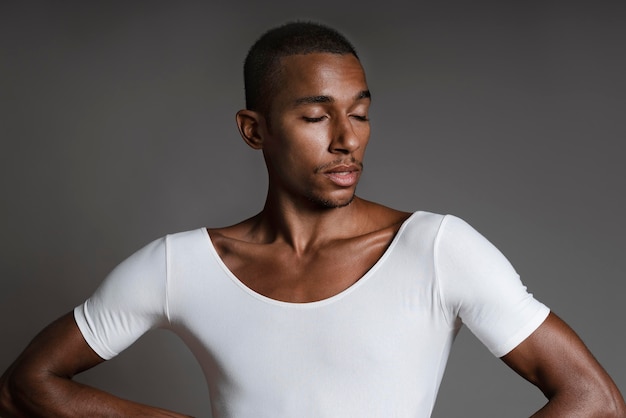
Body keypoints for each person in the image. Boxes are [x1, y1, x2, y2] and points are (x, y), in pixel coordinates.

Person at [1, 21, 624, 418]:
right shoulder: (181, 264)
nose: (347, 140)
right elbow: (25, 386)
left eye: (360, 112)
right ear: (255, 130)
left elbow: (594, 400)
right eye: (315, 115)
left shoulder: (435, 248)